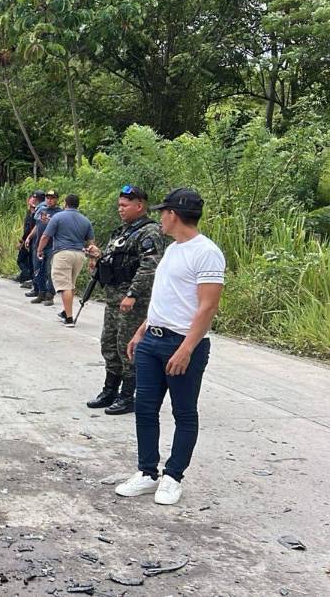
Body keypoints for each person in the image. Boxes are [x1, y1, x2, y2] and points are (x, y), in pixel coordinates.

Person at [116, 188, 224, 506]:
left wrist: (187, 349)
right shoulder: (173, 249)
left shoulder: (206, 252)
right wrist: (141, 331)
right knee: (145, 408)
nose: (159, 216)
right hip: (153, 340)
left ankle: (173, 476)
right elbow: (166, 298)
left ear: (173, 215)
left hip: (183, 343)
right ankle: (148, 472)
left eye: (163, 212)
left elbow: (207, 307)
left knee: (184, 413)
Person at [86, 185, 163, 415]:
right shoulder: (122, 231)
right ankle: (110, 389)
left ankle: (128, 395)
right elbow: (117, 260)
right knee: (109, 344)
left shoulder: (150, 232)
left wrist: (132, 294)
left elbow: (149, 267)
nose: (120, 209)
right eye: (119, 205)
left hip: (132, 301)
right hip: (113, 298)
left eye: (125, 205)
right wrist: (99, 257)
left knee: (127, 347)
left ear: (140, 206)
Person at [37, 194, 95, 327]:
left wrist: (39, 250)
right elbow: (91, 242)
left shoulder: (58, 217)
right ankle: (65, 311)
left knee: (64, 286)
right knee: (70, 284)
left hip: (63, 254)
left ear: (65, 203)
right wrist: (92, 259)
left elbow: (46, 236)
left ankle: (69, 319)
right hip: (79, 255)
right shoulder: (85, 220)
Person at [25, 190, 61, 306]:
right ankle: (41, 292)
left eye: (52, 198)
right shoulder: (42, 210)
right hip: (38, 244)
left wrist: (50, 221)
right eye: (48, 198)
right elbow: (37, 226)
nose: (49, 200)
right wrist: (29, 237)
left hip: (52, 246)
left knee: (50, 271)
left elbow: (61, 228)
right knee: (38, 270)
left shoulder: (59, 213)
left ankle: (50, 295)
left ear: (56, 199)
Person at [17, 191, 44, 285]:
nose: (33, 200)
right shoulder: (29, 212)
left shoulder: (37, 213)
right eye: (32, 198)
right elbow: (26, 228)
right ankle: (27, 276)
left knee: (30, 261)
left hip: (34, 240)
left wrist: (23, 240)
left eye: (35, 199)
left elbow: (31, 228)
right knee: (24, 260)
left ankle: (30, 277)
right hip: (28, 239)